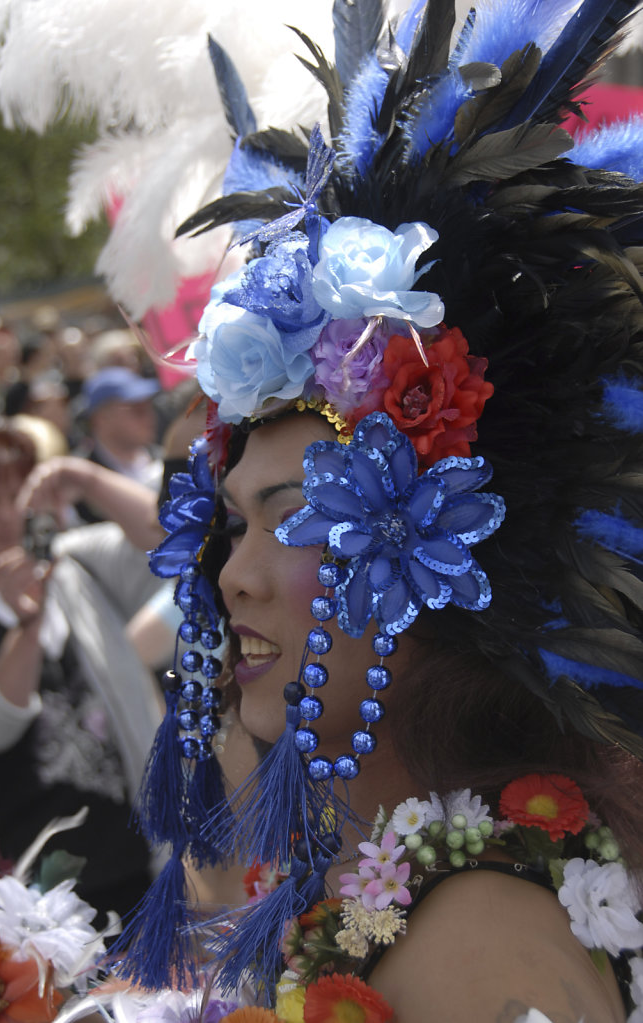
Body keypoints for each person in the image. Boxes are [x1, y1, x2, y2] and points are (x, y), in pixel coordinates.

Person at [100, 1, 643, 1021]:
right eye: (233, 522)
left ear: (431, 558)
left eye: (293, 516)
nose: (231, 575)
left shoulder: (481, 940)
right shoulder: (418, 874)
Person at [0, 416, 163, 918]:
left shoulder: (76, 562)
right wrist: (28, 627)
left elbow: (166, 539)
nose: (8, 516)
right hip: (25, 903)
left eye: (19, 496)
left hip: (139, 863)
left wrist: (84, 477)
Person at [73, 366, 163, 522]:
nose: (149, 417)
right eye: (137, 409)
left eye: (149, 407)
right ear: (101, 418)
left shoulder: (164, 459)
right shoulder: (78, 478)